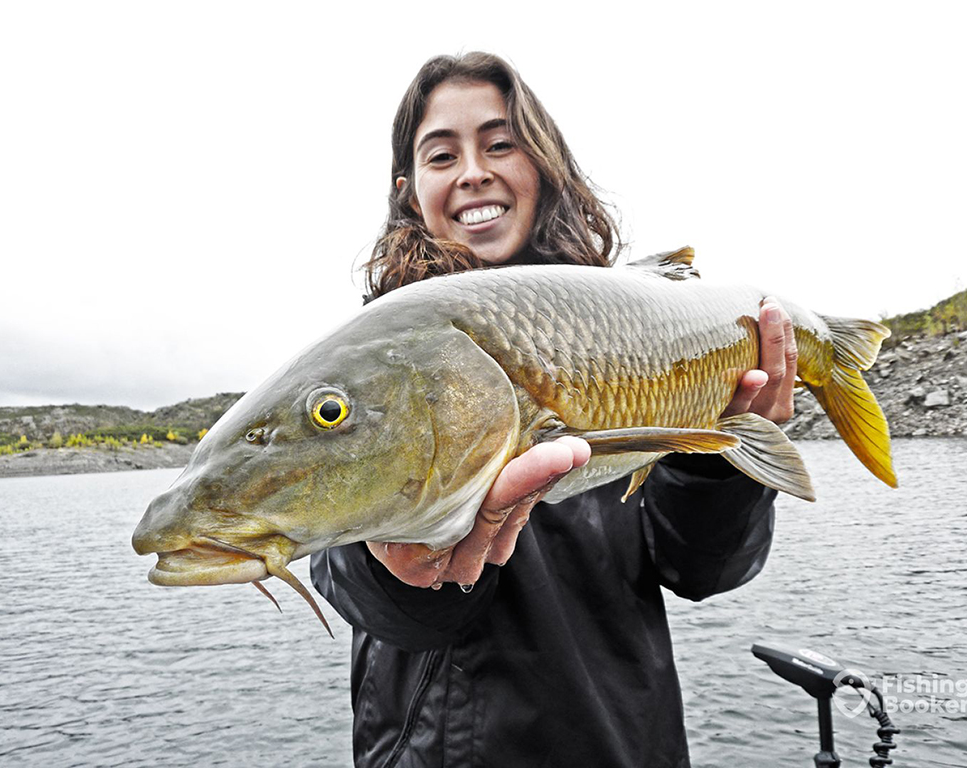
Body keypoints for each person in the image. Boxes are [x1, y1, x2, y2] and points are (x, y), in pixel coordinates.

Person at [311, 52, 798, 768]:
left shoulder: (639, 336)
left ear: (543, 166)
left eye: (500, 143)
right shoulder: (365, 371)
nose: (473, 170)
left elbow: (701, 569)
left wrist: (725, 459)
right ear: (411, 191)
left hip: (627, 745)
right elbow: (369, 595)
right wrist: (398, 563)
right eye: (441, 154)